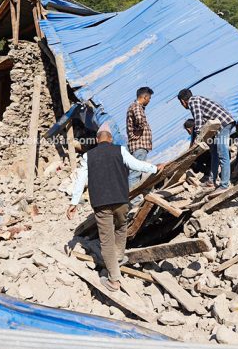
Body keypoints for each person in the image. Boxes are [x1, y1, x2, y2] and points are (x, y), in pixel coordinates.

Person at [66, 125, 164, 292]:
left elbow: (80, 179)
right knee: (121, 228)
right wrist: (154, 168)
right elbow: (137, 165)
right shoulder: (121, 150)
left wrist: (74, 203)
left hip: (101, 203)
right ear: (110, 139)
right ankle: (118, 258)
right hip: (121, 200)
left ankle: (114, 279)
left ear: (97, 140)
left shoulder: (88, 156)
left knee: (106, 240)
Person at [177, 89, 235, 196]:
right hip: (217, 127)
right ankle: (211, 181)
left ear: (182, 101)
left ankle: (224, 185)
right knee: (214, 152)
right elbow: (203, 119)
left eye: (181, 103)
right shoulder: (197, 99)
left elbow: (198, 120)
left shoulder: (193, 101)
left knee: (222, 153)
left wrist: (198, 138)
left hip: (223, 124)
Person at [126, 87, 154, 188]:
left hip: (138, 145)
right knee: (135, 173)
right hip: (139, 144)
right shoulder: (137, 106)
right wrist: (138, 130)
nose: (149, 100)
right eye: (149, 98)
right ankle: (134, 200)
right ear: (145, 97)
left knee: (137, 172)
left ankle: (135, 197)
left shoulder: (135, 106)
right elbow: (139, 120)